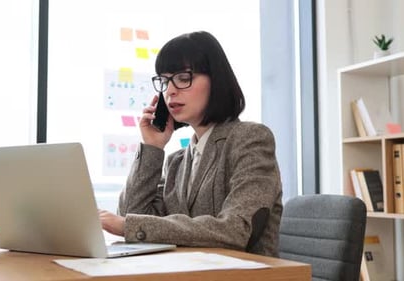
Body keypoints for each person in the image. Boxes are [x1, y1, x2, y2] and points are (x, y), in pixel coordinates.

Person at [99, 31, 283, 257]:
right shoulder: (176, 162)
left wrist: (130, 226)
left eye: (183, 78)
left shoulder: (250, 139)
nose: (170, 90)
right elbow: (130, 215)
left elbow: (235, 230)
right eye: (165, 81)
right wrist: (152, 149)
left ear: (216, 81)